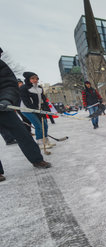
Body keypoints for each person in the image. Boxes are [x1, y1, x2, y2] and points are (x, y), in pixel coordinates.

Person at [0, 52, 51, 181]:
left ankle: (36, 159)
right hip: (28, 110)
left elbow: (8, 84)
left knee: (22, 133)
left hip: (3, 106)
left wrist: (6, 99)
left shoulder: (1, 66)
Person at [19, 71, 55, 149]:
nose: (35, 80)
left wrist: (45, 108)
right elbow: (27, 102)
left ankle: (45, 140)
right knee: (38, 125)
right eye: (32, 78)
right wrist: (37, 111)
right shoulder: (24, 88)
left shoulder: (39, 88)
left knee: (45, 125)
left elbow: (43, 99)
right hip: (27, 110)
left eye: (36, 78)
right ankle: (40, 142)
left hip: (38, 109)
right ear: (28, 79)